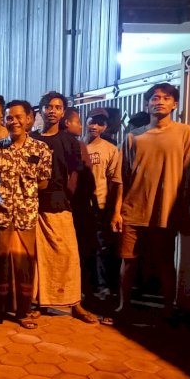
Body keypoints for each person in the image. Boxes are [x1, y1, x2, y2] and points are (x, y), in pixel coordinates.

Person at [112, 83, 190, 322]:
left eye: (166, 97)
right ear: (147, 104)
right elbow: (121, 178)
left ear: (175, 104)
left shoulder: (186, 133)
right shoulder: (133, 137)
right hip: (133, 210)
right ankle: (123, 306)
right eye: (154, 98)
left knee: (164, 262)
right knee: (128, 262)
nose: (159, 101)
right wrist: (117, 212)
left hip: (166, 212)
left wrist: (183, 210)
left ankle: (168, 310)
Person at [0, 100, 52, 329]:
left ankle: (23, 312)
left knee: (23, 265)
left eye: (18, 117)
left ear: (29, 119)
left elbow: (44, 182)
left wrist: (24, 194)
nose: (14, 121)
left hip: (26, 216)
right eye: (9, 117)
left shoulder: (41, 150)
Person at [32, 92, 98, 323]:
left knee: (68, 255)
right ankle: (38, 303)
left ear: (62, 113)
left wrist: (67, 196)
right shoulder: (31, 139)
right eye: (48, 106)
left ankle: (74, 303)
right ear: (40, 110)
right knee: (38, 258)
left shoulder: (70, 141)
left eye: (58, 107)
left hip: (60, 204)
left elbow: (75, 173)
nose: (52, 111)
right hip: (33, 205)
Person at [79, 108, 121, 307]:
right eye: (92, 122)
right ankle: (82, 287)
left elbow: (114, 180)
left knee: (101, 248)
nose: (95, 126)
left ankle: (102, 287)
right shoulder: (76, 145)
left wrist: (113, 209)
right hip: (78, 206)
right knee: (81, 247)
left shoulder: (110, 149)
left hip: (100, 206)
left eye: (100, 123)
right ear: (86, 121)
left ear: (105, 127)